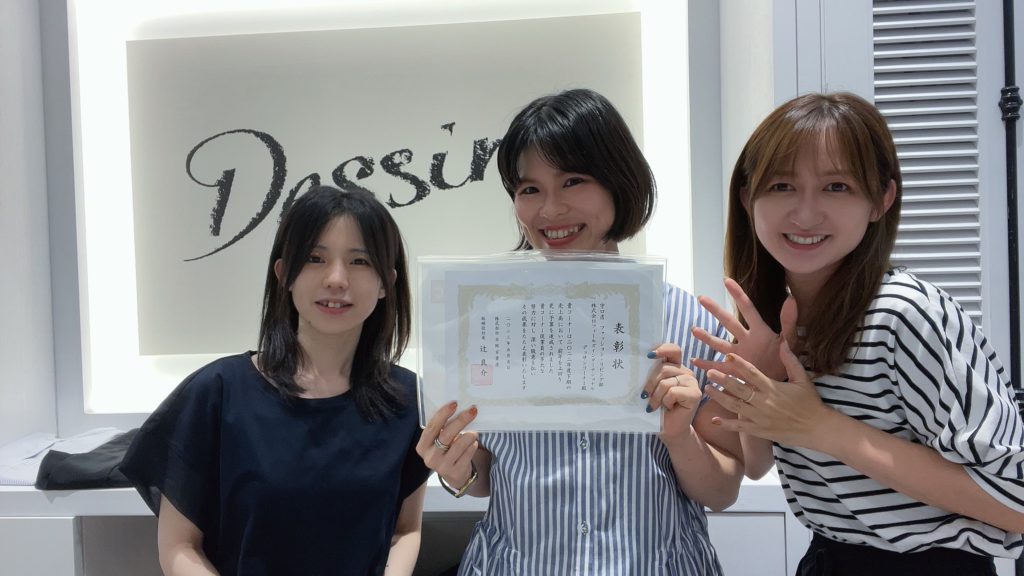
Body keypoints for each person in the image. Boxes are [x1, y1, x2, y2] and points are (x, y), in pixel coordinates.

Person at [691, 91, 1024, 575]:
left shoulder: (902, 314)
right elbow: (758, 466)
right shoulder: (780, 319)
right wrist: (763, 388)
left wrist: (820, 426)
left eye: (837, 186)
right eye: (782, 185)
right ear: (748, 198)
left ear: (880, 200)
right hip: (828, 557)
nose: (805, 214)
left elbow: (1016, 500)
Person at [417, 88, 744, 575]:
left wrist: (679, 437)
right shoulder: (482, 322)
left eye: (573, 181)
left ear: (619, 182)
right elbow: (485, 474)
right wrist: (455, 467)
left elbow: (723, 490)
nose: (550, 210)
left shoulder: (692, 324)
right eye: (529, 189)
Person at [120, 186, 430, 576]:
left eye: (360, 261)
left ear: (386, 282)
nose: (336, 279)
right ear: (284, 274)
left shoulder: (406, 400)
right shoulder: (217, 392)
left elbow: (405, 530)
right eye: (315, 258)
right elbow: (179, 546)